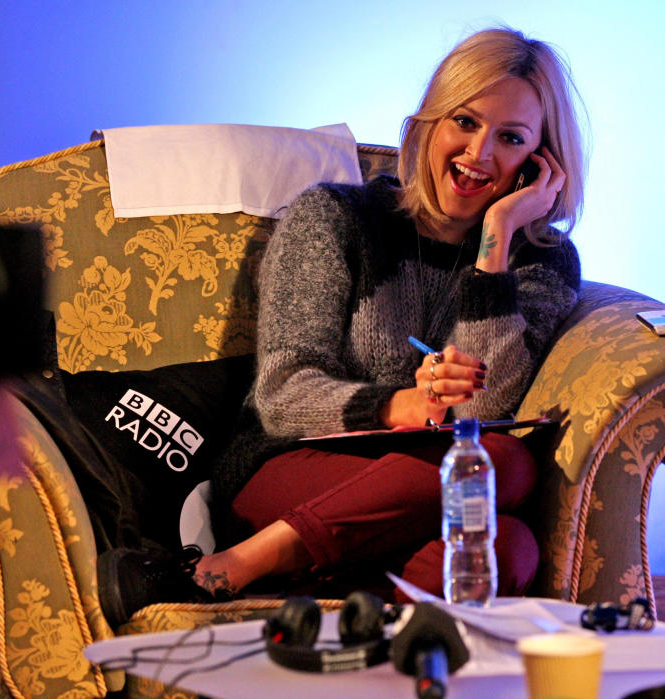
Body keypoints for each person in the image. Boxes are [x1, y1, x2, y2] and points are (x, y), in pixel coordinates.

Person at [98, 26, 587, 627]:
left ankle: (322, 610)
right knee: (503, 465)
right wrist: (402, 405)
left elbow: (486, 405)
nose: (479, 154)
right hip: (288, 469)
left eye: (510, 137)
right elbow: (282, 395)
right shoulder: (334, 218)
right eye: (464, 121)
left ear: (541, 164)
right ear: (428, 124)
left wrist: (496, 244)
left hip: (421, 501)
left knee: (510, 543)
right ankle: (232, 565)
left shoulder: (539, 260)